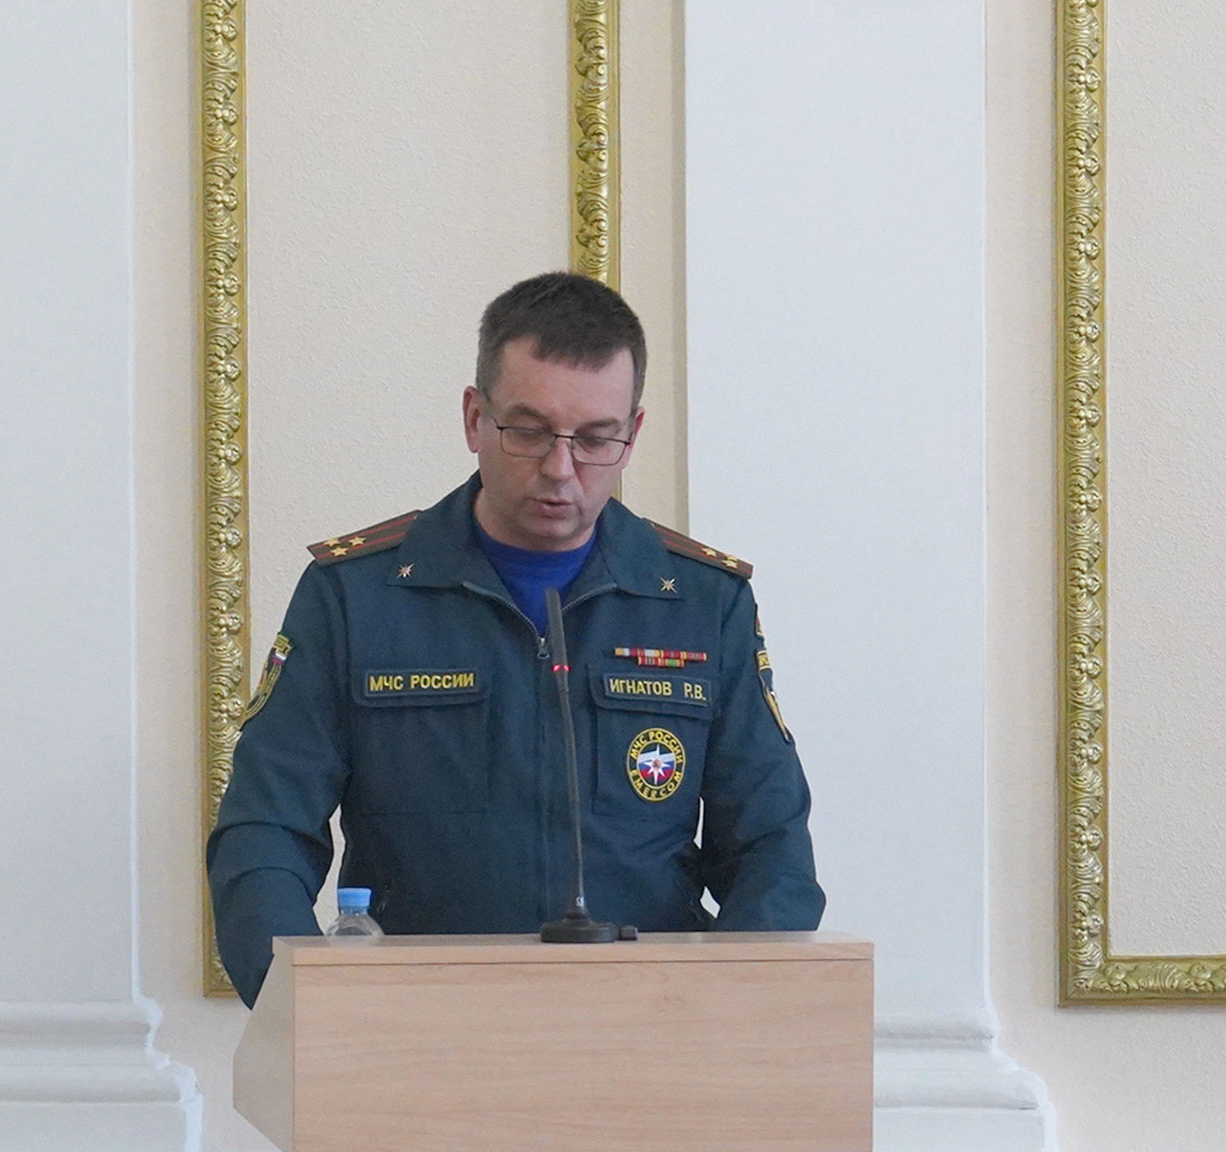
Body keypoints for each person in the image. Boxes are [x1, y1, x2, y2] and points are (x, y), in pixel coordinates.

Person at [207, 272, 823, 1006]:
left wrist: (725, 1014)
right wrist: (303, 1009)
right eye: (528, 432)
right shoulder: (356, 596)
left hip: (649, 1025)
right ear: (475, 419)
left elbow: (771, 851)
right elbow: (265, 832)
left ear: (632, 435)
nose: (561, 470)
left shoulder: (702, 603)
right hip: (415, 1024)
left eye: (595, 439)